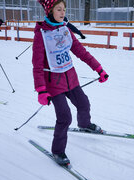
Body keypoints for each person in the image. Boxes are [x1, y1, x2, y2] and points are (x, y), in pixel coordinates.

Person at [33, 0, 108, 166]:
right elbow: (37, 65)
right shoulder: (41, 34)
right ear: (50, 11)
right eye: (58, 9)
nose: (62, 12)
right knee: (65, 117)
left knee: (83, 103)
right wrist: (41, 90)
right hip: (53, 84)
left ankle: (84, 124)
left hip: (71, 79)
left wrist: (99, 69)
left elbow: (81, 52)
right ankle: (58, 151)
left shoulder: (65, 29)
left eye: (64, 9)